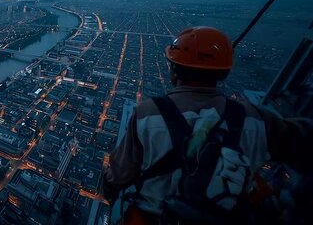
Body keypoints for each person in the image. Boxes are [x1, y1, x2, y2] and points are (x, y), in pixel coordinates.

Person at [102, 26, 313, 224]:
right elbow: (301, 141)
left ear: (174, 71)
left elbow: (119, 174)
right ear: (223, 73)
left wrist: (109, 192)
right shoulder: (253, 118)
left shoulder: (148, 114)